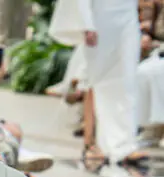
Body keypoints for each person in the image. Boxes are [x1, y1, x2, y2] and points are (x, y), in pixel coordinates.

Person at [50, 0, 149, 165]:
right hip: (101, 19)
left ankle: (125, 145)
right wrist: (87, 24)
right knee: (100, 82)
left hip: (128, 17)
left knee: (128, 81)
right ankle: (104, 145)